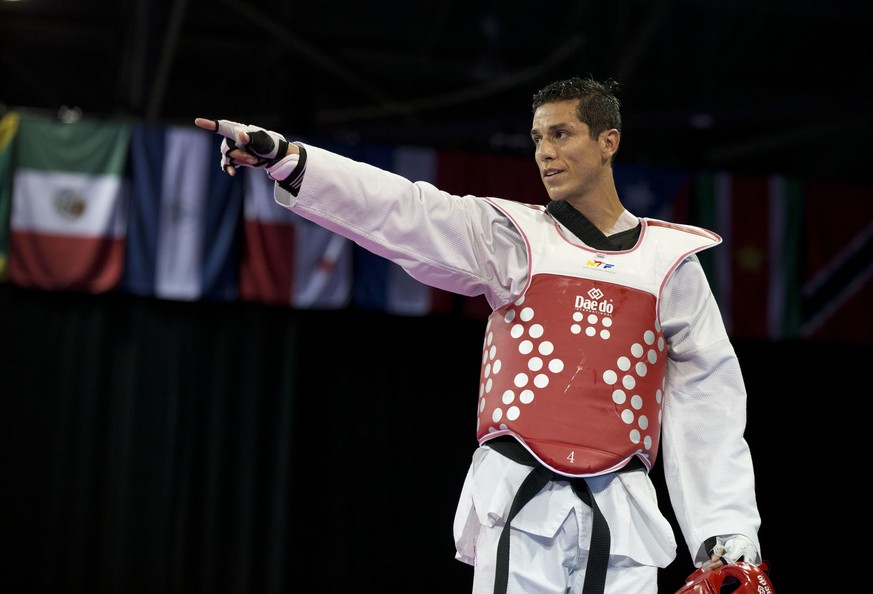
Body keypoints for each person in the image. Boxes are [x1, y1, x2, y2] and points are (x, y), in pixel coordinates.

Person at [194, 75, 763, 594]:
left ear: (608, 141)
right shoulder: (514, 237)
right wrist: (294, 161)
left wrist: (727, 533)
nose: (545, 152)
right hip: (519, 503)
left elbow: (708, 398)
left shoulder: (672, 264)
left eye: (562, 134)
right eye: (538, 137)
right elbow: (404, 212)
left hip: (625, 519)